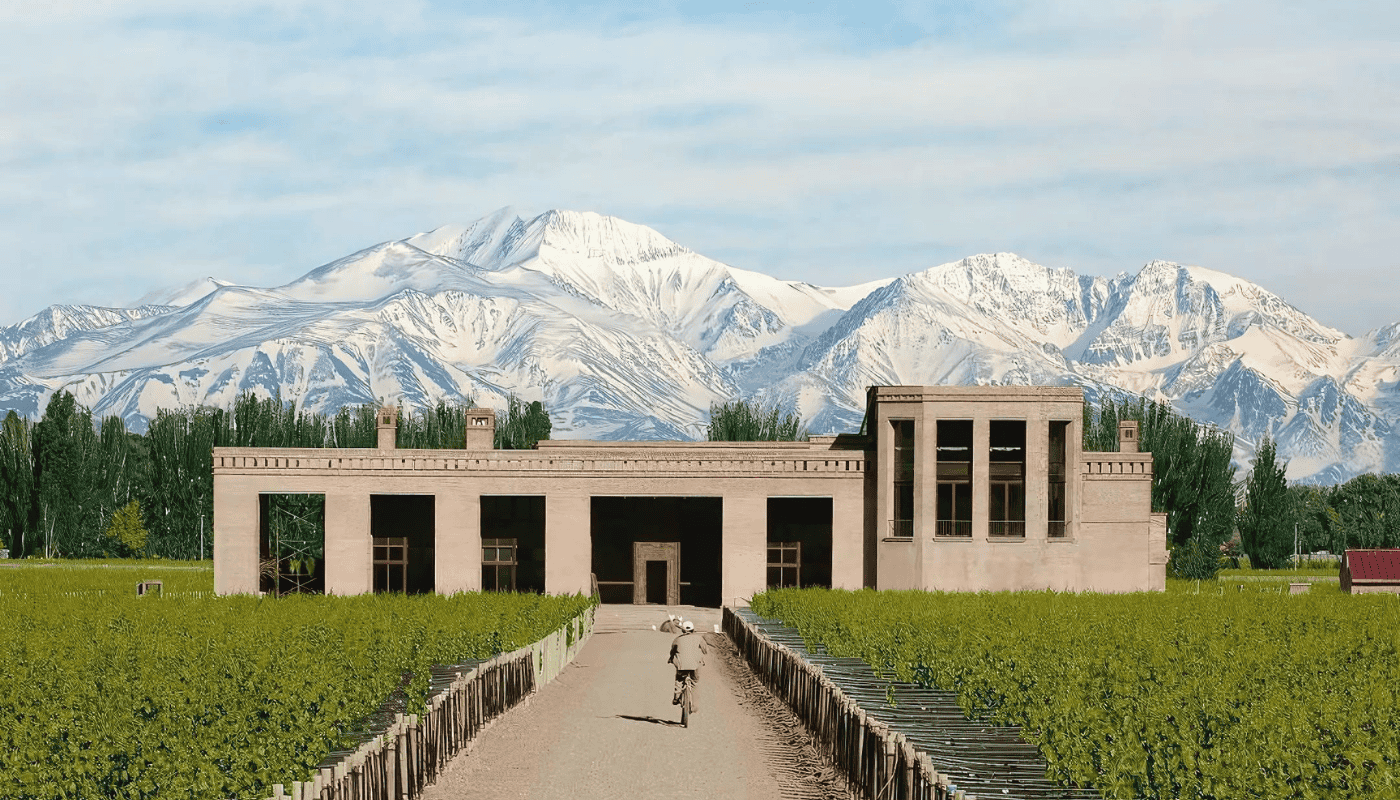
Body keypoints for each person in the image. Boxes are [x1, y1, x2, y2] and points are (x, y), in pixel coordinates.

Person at [668, 619, 707, 711]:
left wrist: (671, 658)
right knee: (694, 682)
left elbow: (672, 651)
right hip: (696, 665)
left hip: (681, 665)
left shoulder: (677, 639)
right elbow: (705, 650)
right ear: (693, 630)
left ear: (683, 630)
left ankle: (676, 697)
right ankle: (694, 704)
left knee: (679, 679)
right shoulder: (699, 638)